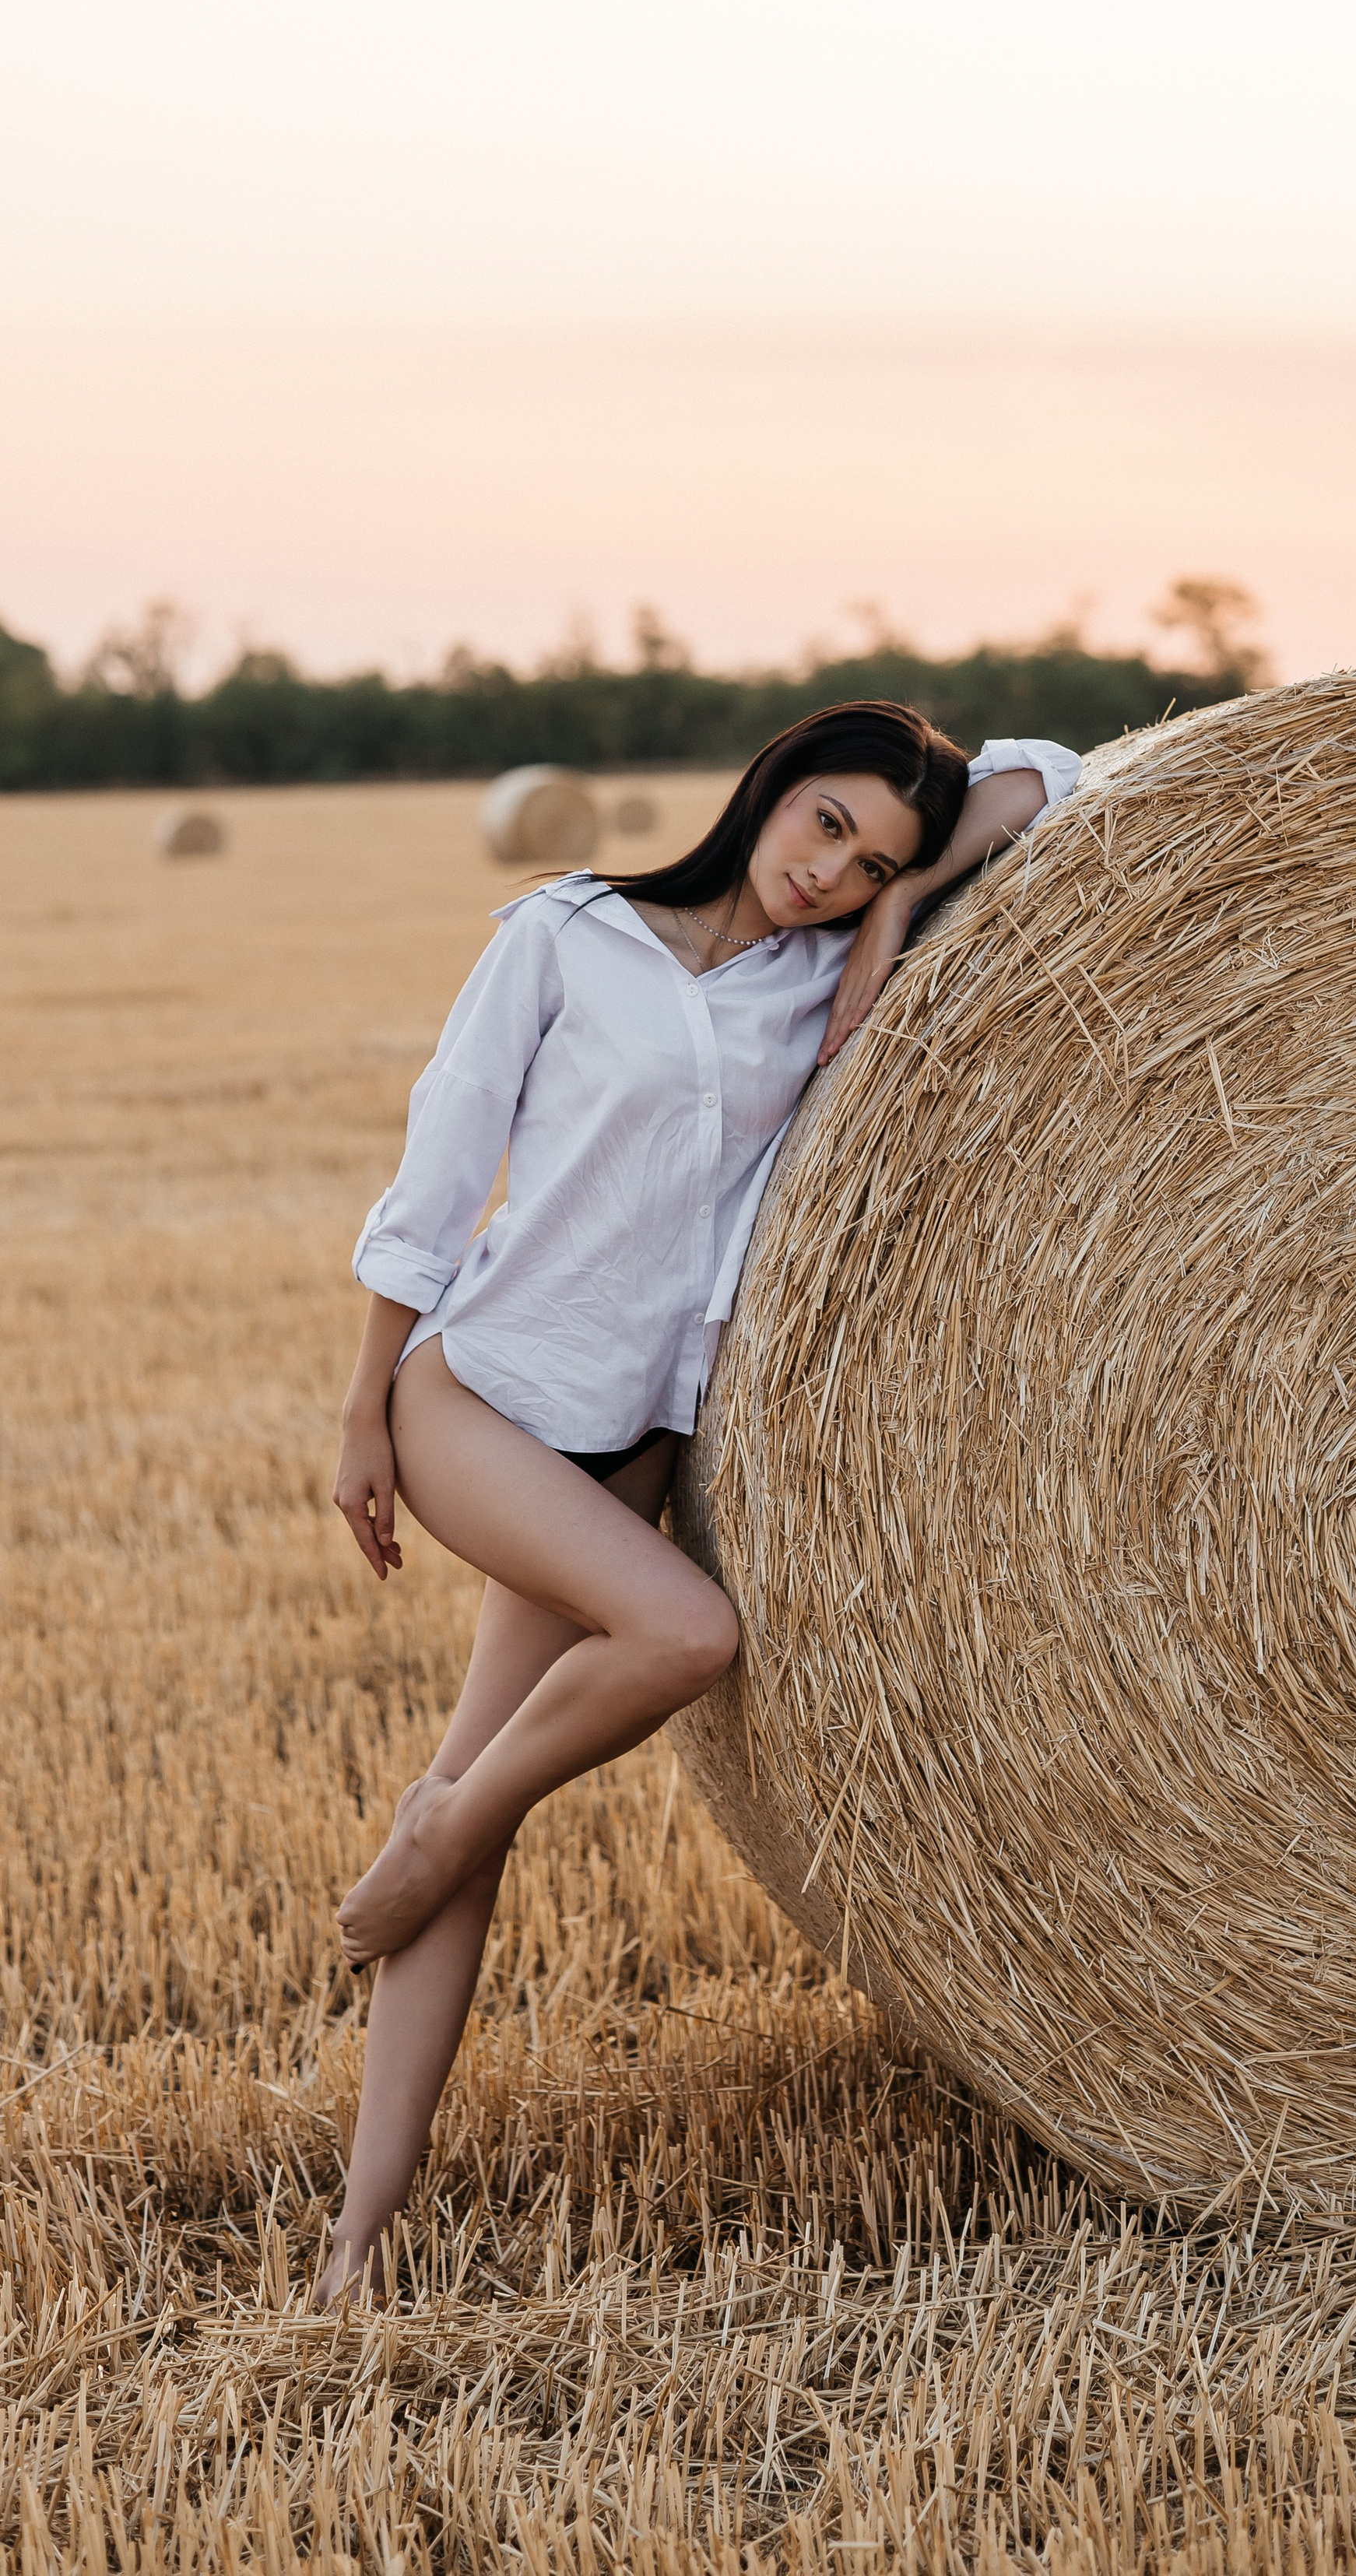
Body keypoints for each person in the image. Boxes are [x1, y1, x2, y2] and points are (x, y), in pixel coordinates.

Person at [319, 701, 1078, 2301]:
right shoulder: (567, 933)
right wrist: (364, 1409)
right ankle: (451, 1821)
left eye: (871, 856)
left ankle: (355, 2241)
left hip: (631, 1440)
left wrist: (885, 924)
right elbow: (440, 1170)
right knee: (683, 1630)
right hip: (480, 1401)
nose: (830, 871)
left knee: (476, 1805)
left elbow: (1043, 776)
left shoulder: (818, 985)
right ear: (771, 789)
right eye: (824, 828)